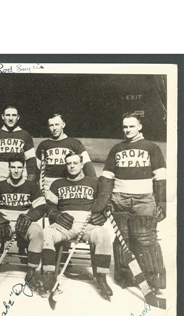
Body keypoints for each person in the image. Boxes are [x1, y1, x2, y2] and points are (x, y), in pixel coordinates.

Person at [91, 112, 166, 292]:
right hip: (120, 199)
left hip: (144, 199)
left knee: (145, 239)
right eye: (125, 127)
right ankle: (127, 276)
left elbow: (161, 177)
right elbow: (107, 178)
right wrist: (101, 205)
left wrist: (162, 203)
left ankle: (152, 277)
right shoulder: (116, 149)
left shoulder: (151, 148)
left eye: (132, 126)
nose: (128, 130)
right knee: (123, 239)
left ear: (140, 126)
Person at [41, 153, 113, 300]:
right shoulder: (57, 184)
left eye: (75, 163)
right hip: (64, 225)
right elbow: (49, 206)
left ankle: (101, 278)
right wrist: (56, 215)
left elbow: (105, 203)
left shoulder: (93, 182)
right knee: (46, 233)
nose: (72, 166)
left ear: (81, 164)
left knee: (104, 234)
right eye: (68, 163)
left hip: (88, 225)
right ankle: (49, 276)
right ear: (65, 165)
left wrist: (103, 216)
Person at [0, 157, 47, 293]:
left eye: (19, 167)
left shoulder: (32, 186)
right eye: (13, 167)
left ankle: (31, 274)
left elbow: (42, 207)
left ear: (23, 169)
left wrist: (29, 216)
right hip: (3, 222)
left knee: (38, 233)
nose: (16, 170)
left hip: (24, 222)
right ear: (8, 168)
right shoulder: (0, 186)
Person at [0, 104, 38, 200]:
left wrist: (30, 183)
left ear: (18, 117)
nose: (10, 118)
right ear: (3, 116)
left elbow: (31, 160)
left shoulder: (25, 135)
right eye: (8, 115)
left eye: (14, 115)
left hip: (18, 174)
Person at [35, 113, 96, 197]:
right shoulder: (43, 145)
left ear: (63, 125)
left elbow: (87, 166)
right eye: (51, 125)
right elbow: (36, 169)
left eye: (57, 124)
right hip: (48, 186)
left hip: (67, 184)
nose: (54, 128)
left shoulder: (74, 143)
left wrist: (94, 185)